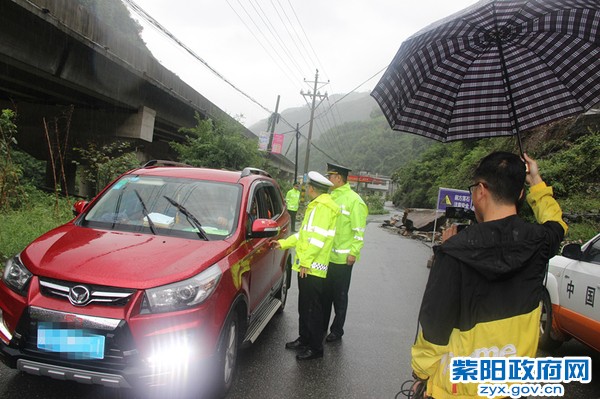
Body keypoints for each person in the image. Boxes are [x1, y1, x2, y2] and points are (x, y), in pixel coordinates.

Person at [411, 152, 568, 399]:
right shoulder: (540, 242)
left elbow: (434, 327)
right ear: (520, 195)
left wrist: (421, 374)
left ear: (481, 190)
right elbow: (556, 224)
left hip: (459, 390)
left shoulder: (454, 252)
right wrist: (535, 180)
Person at [271, 171, 340, 361]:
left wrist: (307, 262)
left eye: (307, 187)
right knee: (304, 305)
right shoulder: (316, 206)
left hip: (313, 267)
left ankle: (316, 347)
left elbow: (318, 240)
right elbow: (304, 235)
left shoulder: (323, 208)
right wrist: (283, 243)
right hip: (307, 265)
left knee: (313, 309)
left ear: (311, 188)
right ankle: (304, 339)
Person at [323, 163, 368, 342]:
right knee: (325, 294)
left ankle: (337, 330)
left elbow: (359, 230)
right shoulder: (331, 197)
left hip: (343, 259)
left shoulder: (354, 200)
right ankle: (322, 326)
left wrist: (353, 253)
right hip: (327, 257)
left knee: (339, 296)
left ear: (338, 178)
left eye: (330, 176)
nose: (328, 179)